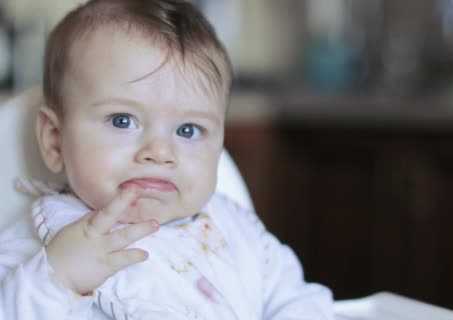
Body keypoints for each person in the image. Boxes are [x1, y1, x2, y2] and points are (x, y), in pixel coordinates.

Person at [0, 0, 334, 318]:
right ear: (55, 141)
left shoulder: (233, 233)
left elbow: (299, 301)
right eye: (122, 121)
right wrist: (57, 280)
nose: (160, 153)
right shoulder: (41, 247)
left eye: (188, 130)